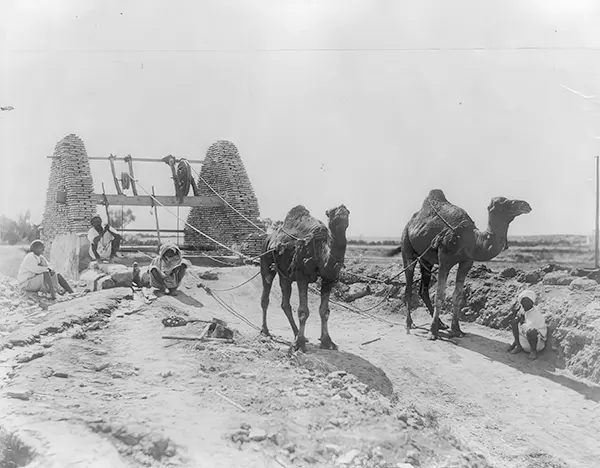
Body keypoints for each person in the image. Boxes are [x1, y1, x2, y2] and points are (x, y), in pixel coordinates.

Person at [507, 289, 548, 360]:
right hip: (524, 341)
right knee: (514, 322)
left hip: (536, 343)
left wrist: (522, 323)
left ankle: (533, 352)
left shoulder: (536, 314)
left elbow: (530, 329)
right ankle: (518, 345)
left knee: (531, 331)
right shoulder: (523, 312)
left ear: (532, 302)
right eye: (524, 301)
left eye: (528, 301)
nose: (525, 303)